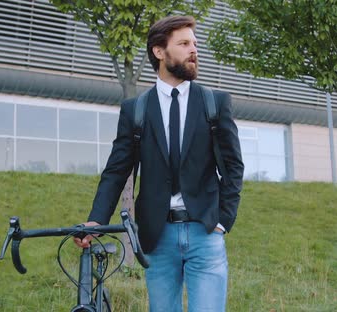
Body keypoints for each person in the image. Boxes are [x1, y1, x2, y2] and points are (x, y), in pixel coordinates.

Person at [74, 15, 244, 312]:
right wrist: (96, 220)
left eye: (194, 43)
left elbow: (233, 166)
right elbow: (117, 170)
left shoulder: (215, 103)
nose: (194, 50)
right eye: (184, 43)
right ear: (159, 51)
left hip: (205, 233)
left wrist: (223, 221)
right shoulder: (135, 110)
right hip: (157, 236)